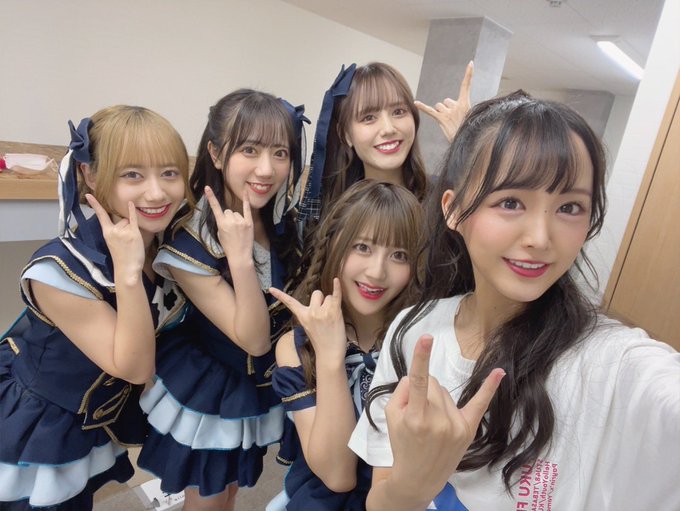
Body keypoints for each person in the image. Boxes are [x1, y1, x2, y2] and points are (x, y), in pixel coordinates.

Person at [349, 91, 680, 510]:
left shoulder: (613, 363)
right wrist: (414, 484)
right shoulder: (414, 330)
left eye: (570, 207)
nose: (540, 238)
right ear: (454, 210)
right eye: (510, 202)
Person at [0, 105, 192, 510]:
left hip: (89, 420)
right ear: (90, 174)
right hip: (35, 425)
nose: (156, 193)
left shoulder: (163, 246)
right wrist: (128, 274)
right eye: (132, 174)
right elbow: (135, 367)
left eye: (170, 173)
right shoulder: (56, 271)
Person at [137, 89, 307, 511]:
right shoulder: (190, 240)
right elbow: (254, 340)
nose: (266, 169)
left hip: (256, 384)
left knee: (229, 490)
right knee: (208, 499)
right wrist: (240, 258)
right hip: (212, 389)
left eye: (280, 153)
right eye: (249, 150)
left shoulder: (280, 221)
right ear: (215, 153)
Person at [266, 180, 425, 510]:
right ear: (334, 244)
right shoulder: (296, 346)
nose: (377, 272)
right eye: (363, 247)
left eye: (399, 255)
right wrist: (329, 357)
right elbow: (337, 475)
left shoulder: (421, 340)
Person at [298, 61, 473, 225]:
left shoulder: (444, 201)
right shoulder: (331, 216)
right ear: (345, 135)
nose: (388, 129)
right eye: (368, 117)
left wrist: (470, 141)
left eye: (398, 112)